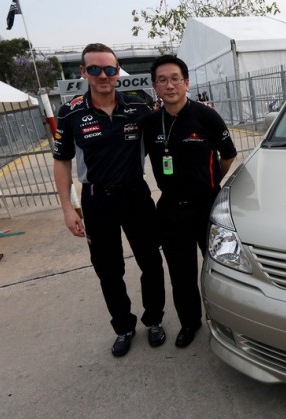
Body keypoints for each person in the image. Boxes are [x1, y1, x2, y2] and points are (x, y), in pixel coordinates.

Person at [53, 43, 167, 357]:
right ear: (83, 72)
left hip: (135, 195)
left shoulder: (138, 108)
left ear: (117, 72)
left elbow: (167, 131)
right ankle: (124, 327)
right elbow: (61, 162)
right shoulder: (71, 112)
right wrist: (67, 208)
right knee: (108, 269)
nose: (103, 76)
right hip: (95, 200)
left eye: (109, 69)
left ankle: (154, 320)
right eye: (95, 69)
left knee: (151, 262)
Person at [141, 55, 237, 348]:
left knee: (220, 270)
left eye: (175, 79)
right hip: (170, 209)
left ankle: (226, 323)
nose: (169, 85)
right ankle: (190, 323)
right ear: (155, 86)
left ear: (186, 82)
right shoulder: (149, 123)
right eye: (162, 80)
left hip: (207, 207)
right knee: (181, 275)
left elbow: (229, 155)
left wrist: (210, 183)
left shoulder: (206, 116)